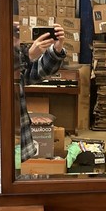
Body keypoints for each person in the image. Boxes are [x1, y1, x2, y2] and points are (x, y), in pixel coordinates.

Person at [14, 23, 67, 163]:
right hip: (6, 137)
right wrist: (28, 55)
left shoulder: (15, 52)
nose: (16, 26)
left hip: (21, 139)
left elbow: (34, 74)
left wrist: (56, 49)